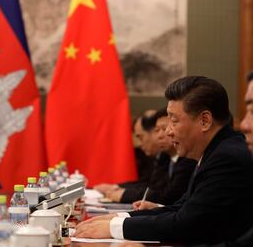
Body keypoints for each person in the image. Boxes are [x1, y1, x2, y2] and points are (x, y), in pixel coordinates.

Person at [75, 76, 253, 245]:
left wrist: (115, 227)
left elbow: (187, 224)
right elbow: (181, 208)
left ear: (204, 121)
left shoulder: (226, 157)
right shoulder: (215, 151)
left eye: (174, 121)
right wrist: (121, 218)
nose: (168, 132)